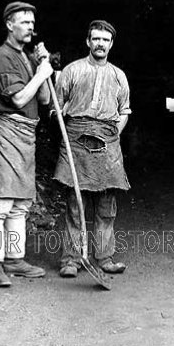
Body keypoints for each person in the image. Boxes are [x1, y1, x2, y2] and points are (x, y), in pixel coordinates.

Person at [0, 1, 53, 286]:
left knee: (20, 203)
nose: (31, 27)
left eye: (33, 23)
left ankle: (14, 259)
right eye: (25, 22)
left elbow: (45, 99)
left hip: (26, 134)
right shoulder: (1, 57)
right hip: (7, 130)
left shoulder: (28, 58)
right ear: (9, 24)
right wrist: (40, 75)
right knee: (0, 200)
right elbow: (20, 99)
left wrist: (44, 66)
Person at [55, 20, 131, 277]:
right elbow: (57, 107)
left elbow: (124, 112)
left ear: (111, 44)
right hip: (76, 139)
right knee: (76, 203)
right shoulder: (72, 71)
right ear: (88, 41)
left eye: (105, 40)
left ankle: (105, 257)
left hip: (108, 141)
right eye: (96, 39)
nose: (100, 44)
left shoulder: (118, 76)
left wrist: (111, 136)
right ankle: (71, 260)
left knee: (106, 204)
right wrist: (63, 125)